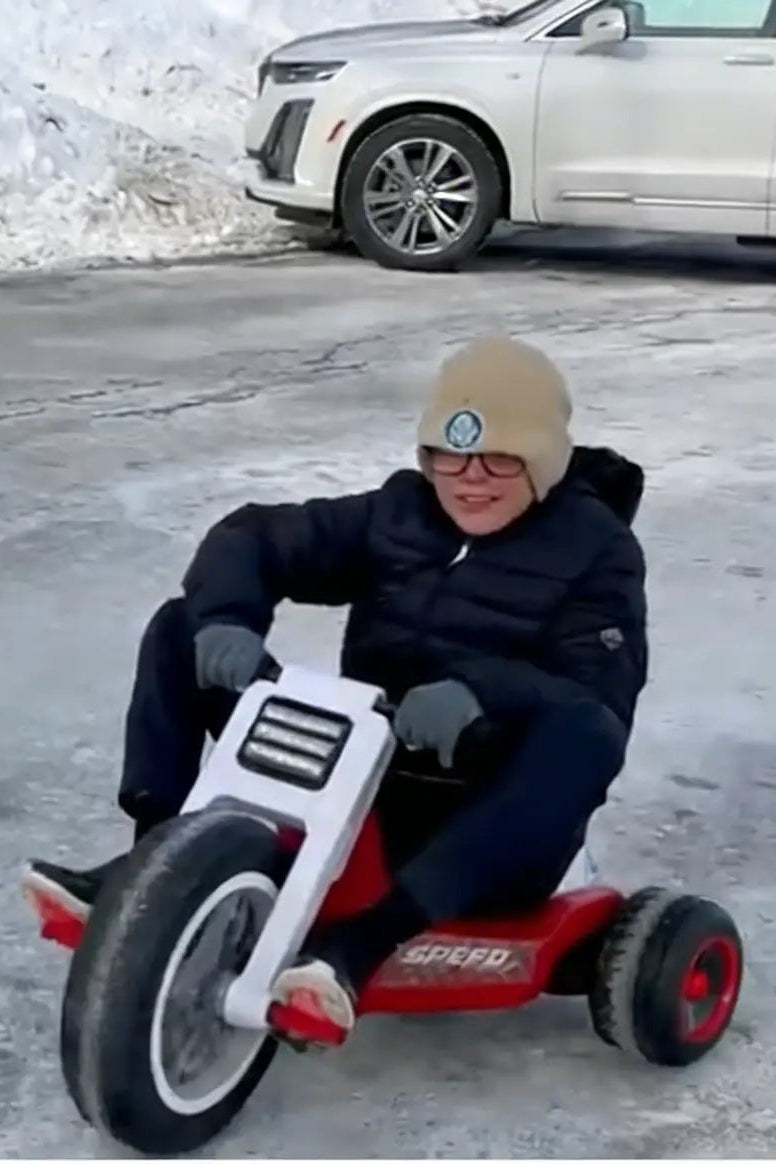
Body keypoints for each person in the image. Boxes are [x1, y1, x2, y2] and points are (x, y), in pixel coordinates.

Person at [22, 334, 648, 1042]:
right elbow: (255, 536)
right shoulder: (402, 513)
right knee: (182, 627)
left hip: (476, 822)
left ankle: (360, 948)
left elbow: (602, 691)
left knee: (585, 734)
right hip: (355, 780)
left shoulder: (598, 552)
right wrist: (228, 620)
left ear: (541, 460)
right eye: (449, 453)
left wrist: (479, 692)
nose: (469, 478)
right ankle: (152, 868)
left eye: (499, 457)